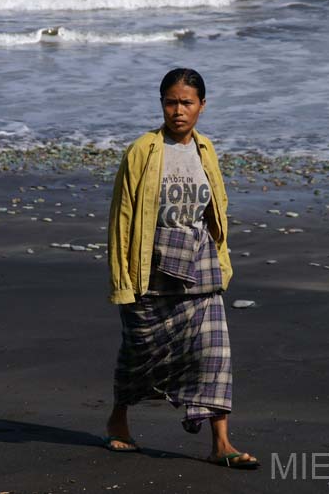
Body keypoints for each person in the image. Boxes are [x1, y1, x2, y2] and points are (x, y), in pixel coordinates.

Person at [105, 68, 258, 468]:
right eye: (171, 102)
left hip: (200, 262)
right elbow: (123, 217)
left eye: (187, 103)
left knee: (214, 352)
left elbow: (217, 209)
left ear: (201, 106)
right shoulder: (143, 150)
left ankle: (221, 442)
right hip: (151, 265)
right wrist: (123, 282)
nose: (178, 110)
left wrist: (222, 262)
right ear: (161, 104)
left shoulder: (206, 149)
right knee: (141, 353)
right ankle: (118, 420)